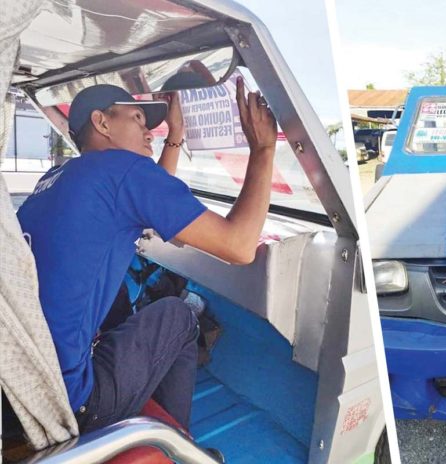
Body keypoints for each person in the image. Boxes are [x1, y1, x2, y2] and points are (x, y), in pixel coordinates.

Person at [16, 76, 277, 435]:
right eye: (138, 119)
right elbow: (239, 246)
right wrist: (263, 150)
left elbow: (149, 201)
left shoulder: (58, 177)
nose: (149, 132)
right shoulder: (123, 171)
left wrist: (175, 136)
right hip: (63, 402)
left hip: (17, 390)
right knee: (178, 315)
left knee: (121, 300)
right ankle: (170, 447)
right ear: (102, 123)